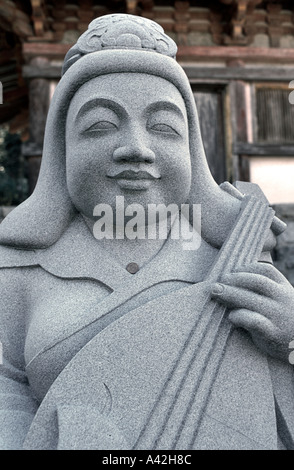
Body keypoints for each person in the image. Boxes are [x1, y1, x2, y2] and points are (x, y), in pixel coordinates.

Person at [0, 14, 293, 450]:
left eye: (163, 127)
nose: (136, 148)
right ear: (63, 150)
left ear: (191, 148)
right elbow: (7, 389)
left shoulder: (234, 252)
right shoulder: (20, 265)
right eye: (100, 125)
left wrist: (291, 338)